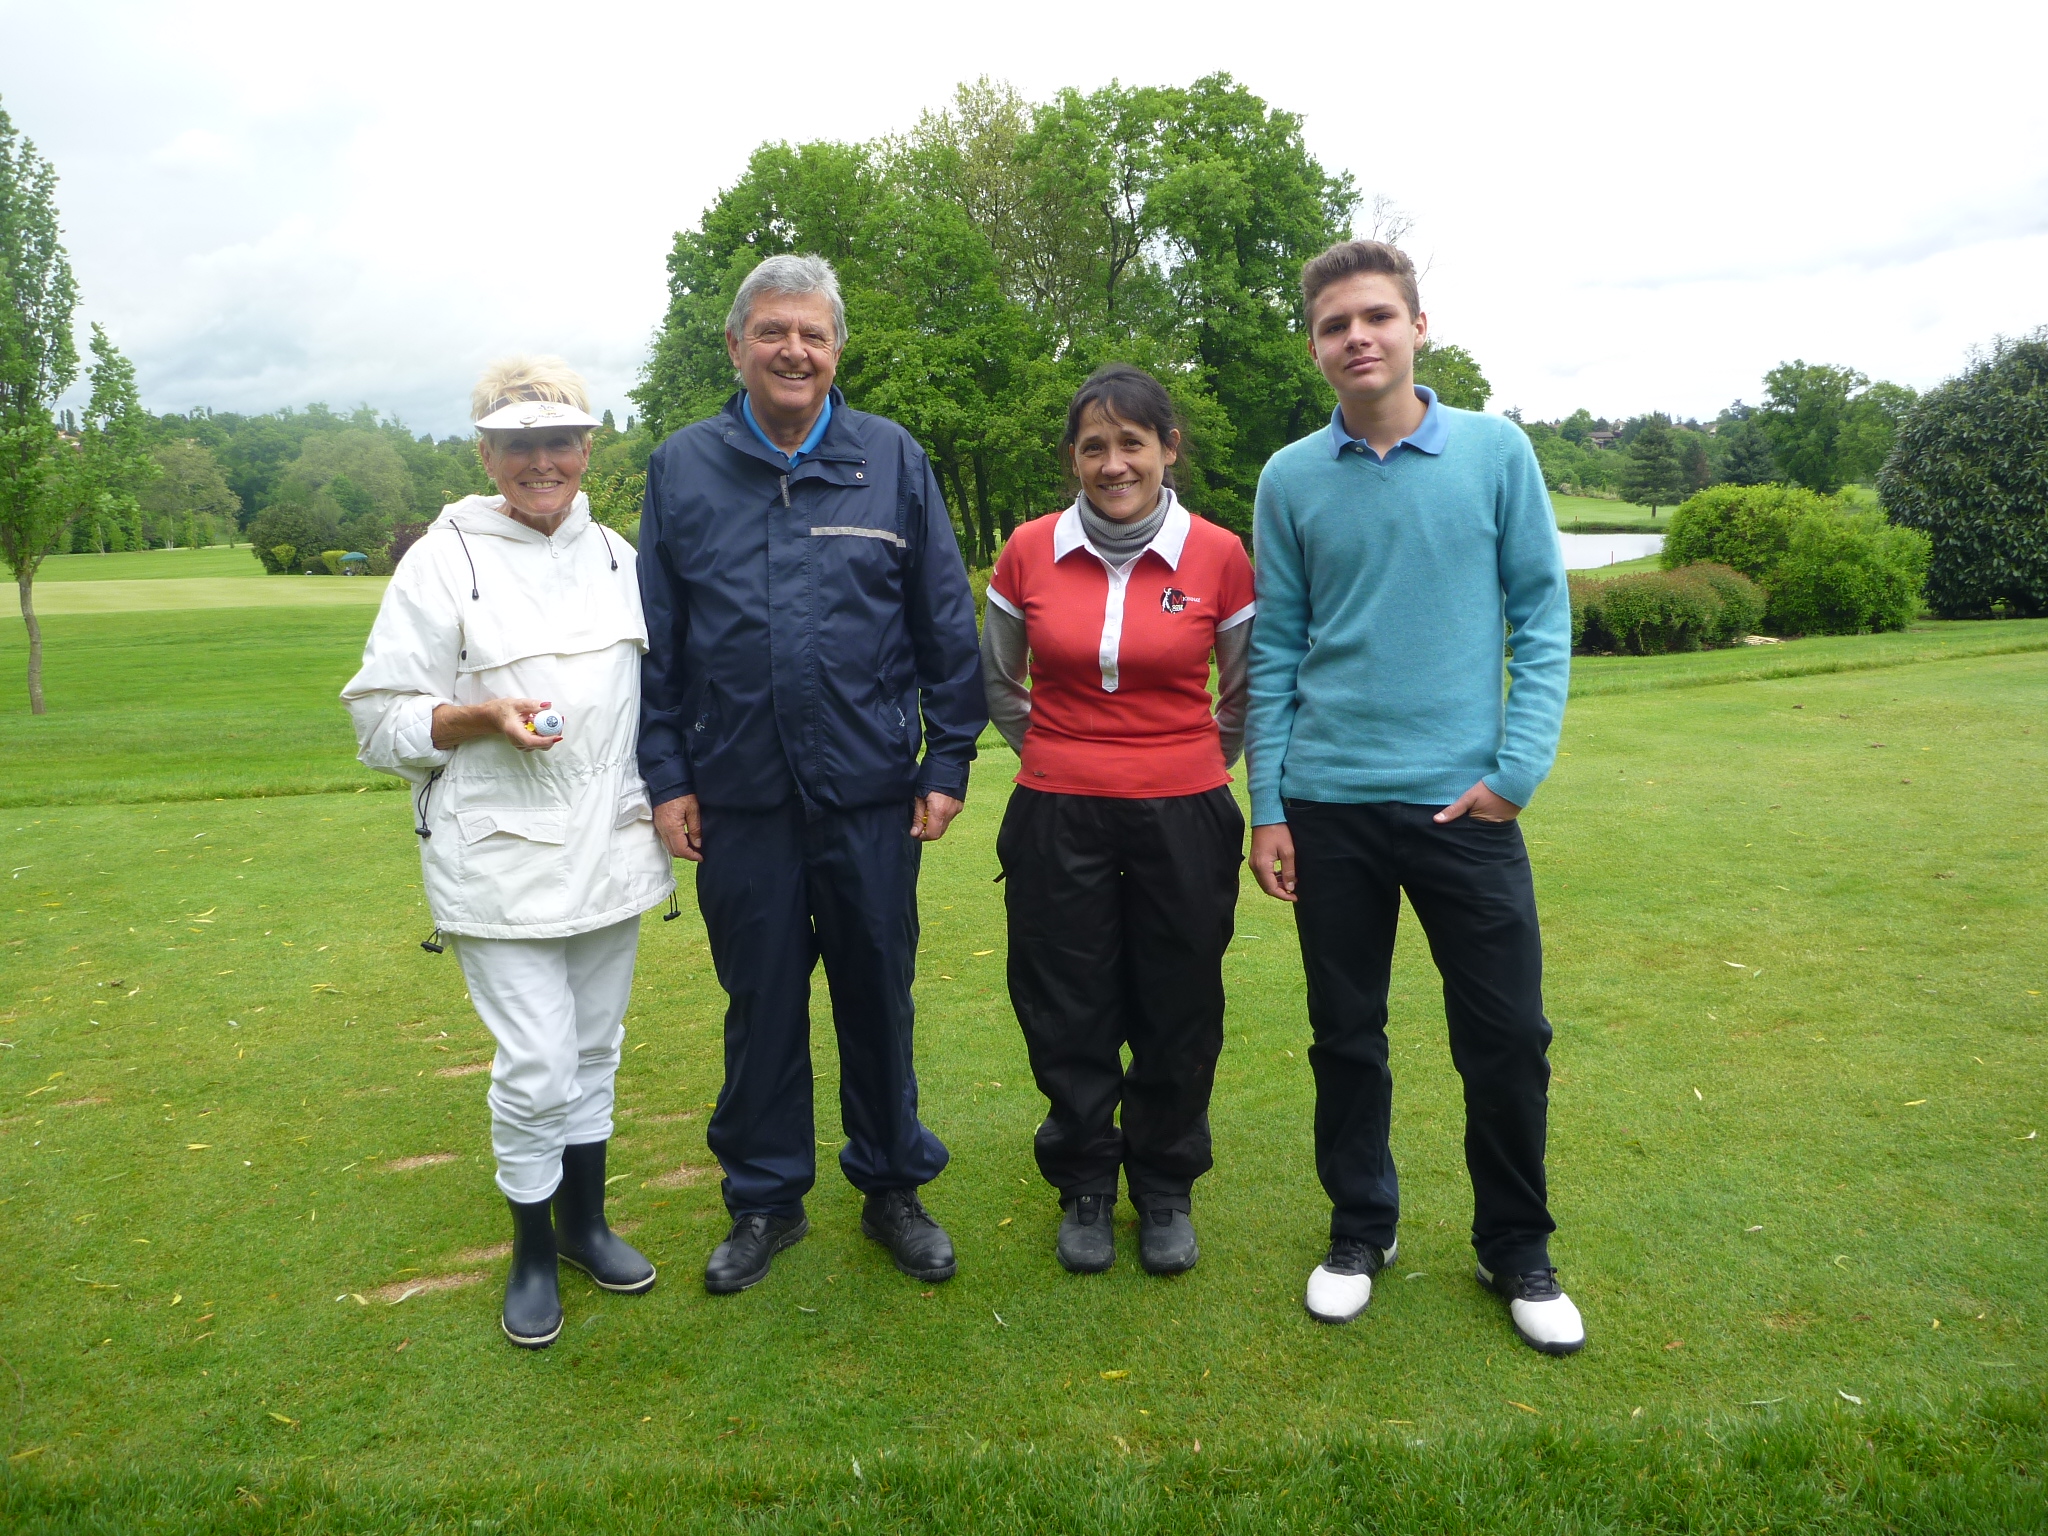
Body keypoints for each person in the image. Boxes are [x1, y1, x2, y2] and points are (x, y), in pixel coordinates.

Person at [1246, 241, 1583, 1354]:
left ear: (1416, 326)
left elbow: (1539, 616)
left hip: (1462, 809)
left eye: (1376, 317)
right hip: (1330, 804)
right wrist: (1268, 806)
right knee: (1344, 1035)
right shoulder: (1288, 477)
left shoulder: (1493, 452)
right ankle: (1359, 1229)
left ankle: (1513, 1249)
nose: (1357, 337)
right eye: (1336, 323)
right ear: (1313, 345)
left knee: (1505, 1038)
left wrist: (1514, 772)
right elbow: (1278, 647)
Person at [637, 254, 986, 1295]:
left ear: (837, 350)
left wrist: (949, 756)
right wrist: (665, 774)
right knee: (761, 1005)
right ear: (737, 344)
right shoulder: (682, 467)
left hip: (872, 792)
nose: (795, 350)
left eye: (815, 335)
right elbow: (657, 641)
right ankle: (764, 1198)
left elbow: (940, 623)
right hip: (737, 795)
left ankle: (891, 1187)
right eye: (774, 331)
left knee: (878, 993)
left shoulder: (891, 458)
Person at [342, 357, 674, 1349]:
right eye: (519, 442)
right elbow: (376, 720)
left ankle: (584, 1225)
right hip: (498, 859)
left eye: (559, 439)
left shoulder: (620, 556)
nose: (542, 460)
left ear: (586, 449)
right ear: (485, 451)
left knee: (593, 1053)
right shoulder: (441, 562)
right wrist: (473, 718)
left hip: (611, 851)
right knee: (536, 1064)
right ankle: (531, 1249)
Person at [982, 365, 1254, 1277]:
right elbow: (999, 680)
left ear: (1168, 448)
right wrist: (1056, 753)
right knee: (1067, 1002)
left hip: (1185, 809)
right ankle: (1087, 1182)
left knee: (1179, 1002)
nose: (1113, 463)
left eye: (1131, 442)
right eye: (1093, 446)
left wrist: (1187, 759)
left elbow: (1245, 692)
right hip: (1057, 808)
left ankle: (1166, 1185)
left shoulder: (1218, 553)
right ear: (1074, 458)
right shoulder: (1028, 549)